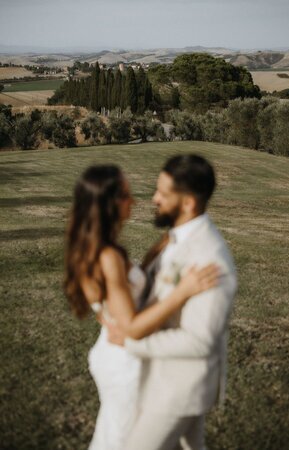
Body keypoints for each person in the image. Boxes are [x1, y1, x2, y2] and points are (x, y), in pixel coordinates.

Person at [63, 164, 219, 450]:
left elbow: (114, 301)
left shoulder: (99, 247)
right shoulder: (108, 256)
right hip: (125, 361)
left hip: (114, 352)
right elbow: (132, 327)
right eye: (125, 195)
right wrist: (183, 291)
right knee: (125, 439)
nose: (134, 200)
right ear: (107, 203)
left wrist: (156, 251)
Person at [106, 154, 237, 450]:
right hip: (159, 377)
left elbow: (199, 342)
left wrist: (130, 342)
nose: (154, 199)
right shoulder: (175, 240)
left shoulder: (210, 260)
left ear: (188, 203)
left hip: (178, 389)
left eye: (163, 194)